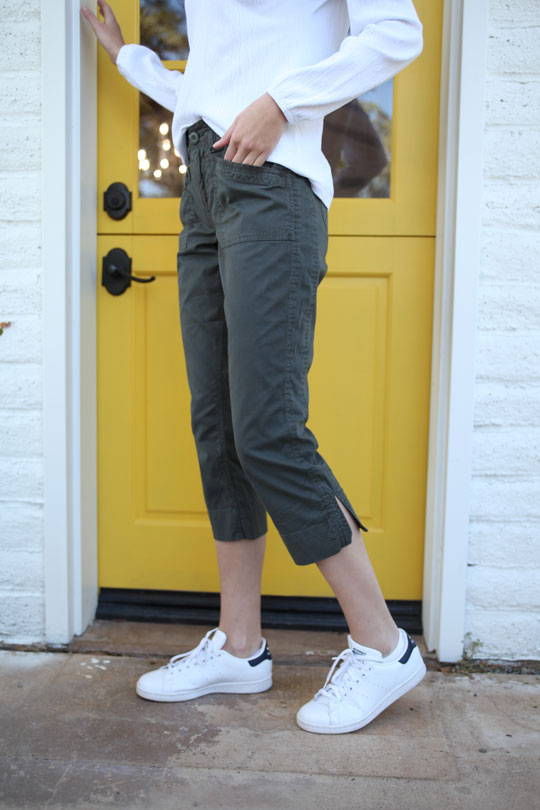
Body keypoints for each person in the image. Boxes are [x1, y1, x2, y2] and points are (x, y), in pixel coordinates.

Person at [82, 0, 426, 735]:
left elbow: (398, 32)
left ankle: (384, 645)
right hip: (203, 188)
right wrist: (129, 60)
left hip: (273, 185)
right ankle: (240, 648)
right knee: (219, 425)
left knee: (268, 428)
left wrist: (281, 103)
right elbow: (215, 81)